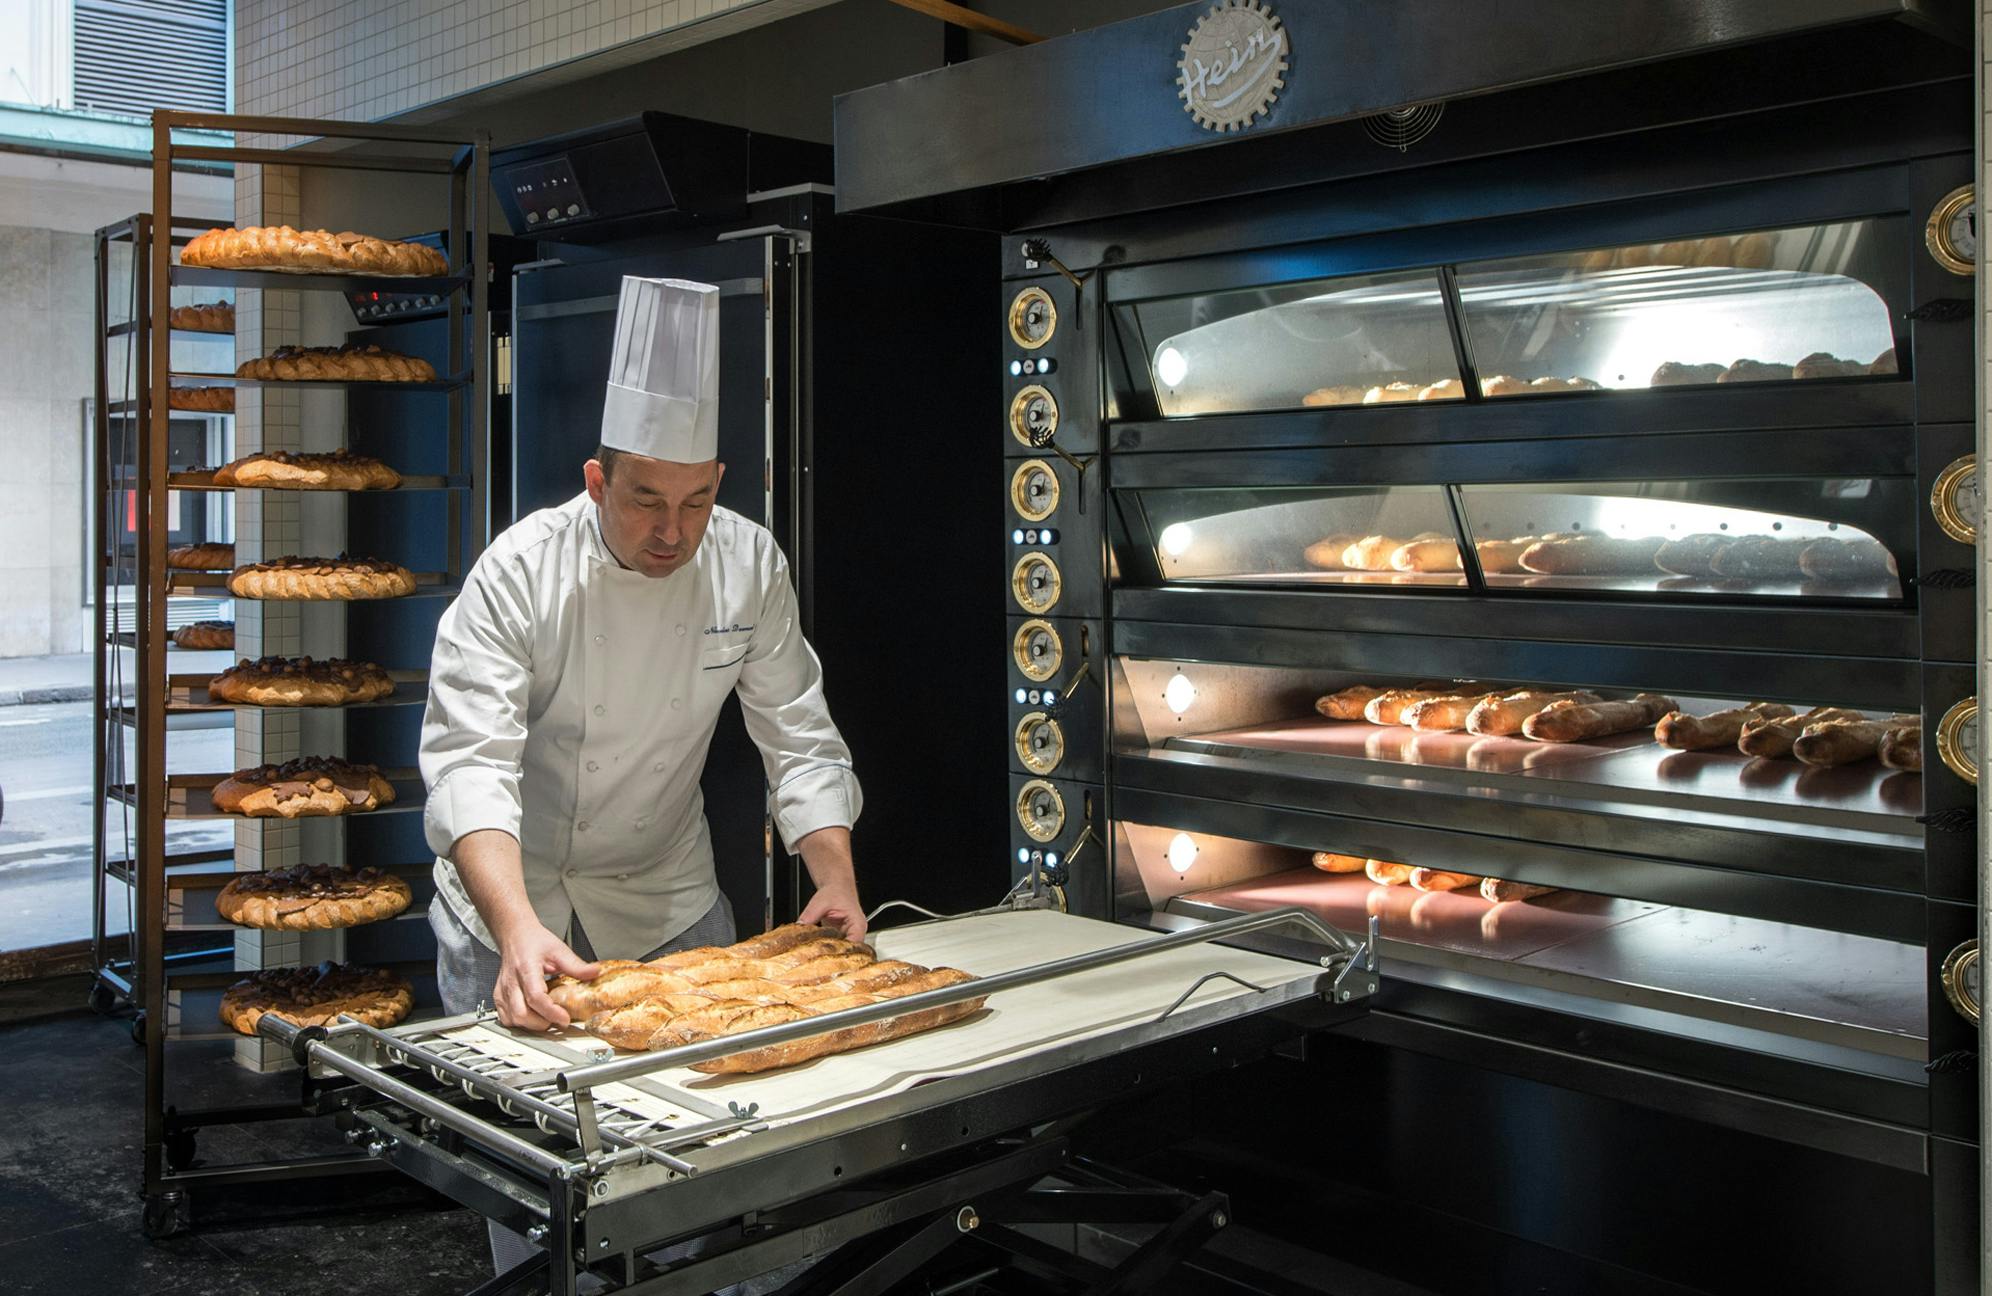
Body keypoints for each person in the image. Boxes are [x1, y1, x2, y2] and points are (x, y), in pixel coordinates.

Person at [418, 275, 865, 1281]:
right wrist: (517, 923)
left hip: (665, 903)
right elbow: (468, 763)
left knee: (696, 1175)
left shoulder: (749, 568)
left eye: (698, 501)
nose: (673, 532)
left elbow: (797, 732)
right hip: (511, 904)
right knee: (538, 1189)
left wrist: (830, 874)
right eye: (645, 502)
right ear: (594, 481)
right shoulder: (519, 573)